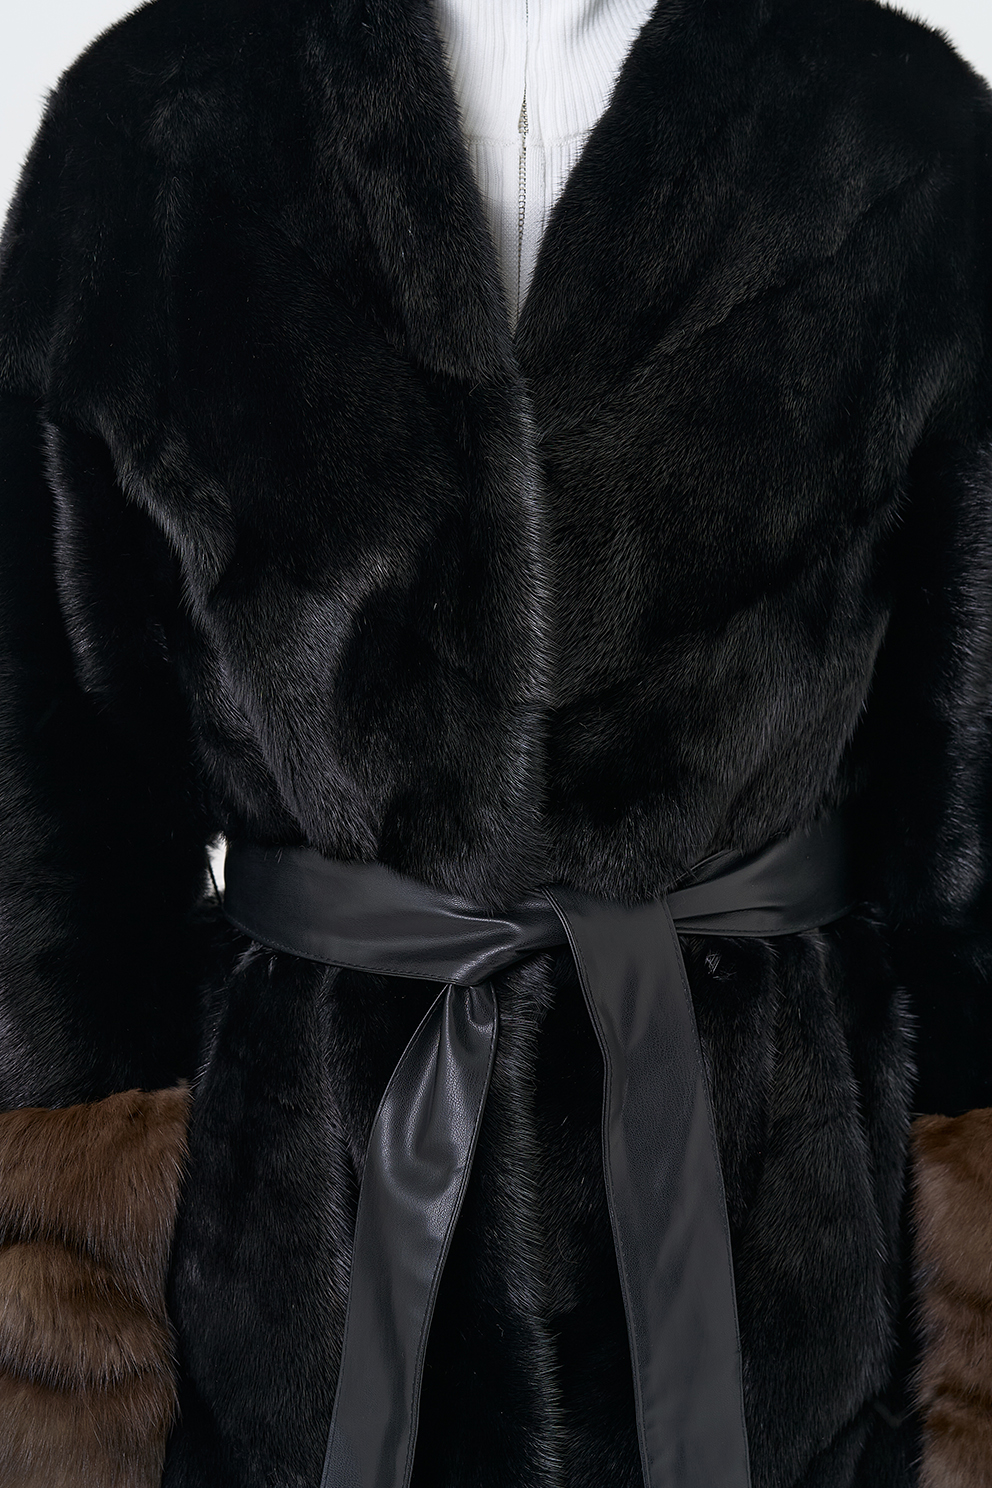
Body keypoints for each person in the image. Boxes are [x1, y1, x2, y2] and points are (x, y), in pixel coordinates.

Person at [1, 0, 992, 1484]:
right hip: (296, 1273)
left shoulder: (889, 127)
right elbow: (51, 825)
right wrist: (78, 1367)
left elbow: (972, 809)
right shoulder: (155, 127)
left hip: (772, 1257)